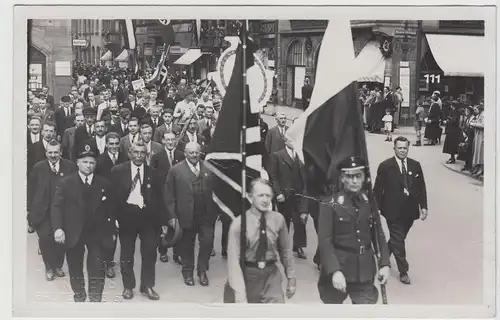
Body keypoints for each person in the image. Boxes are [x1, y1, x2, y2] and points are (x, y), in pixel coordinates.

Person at [317, 156, 390, 304]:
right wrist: (334, 270)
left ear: (364, 178)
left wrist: (384, 263)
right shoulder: (330, 203)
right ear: (342, 178)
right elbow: (325, 241)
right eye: (350, 177)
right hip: (339, 270)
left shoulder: (368, 201)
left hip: (364, 270)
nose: (355, 181)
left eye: (359, 176)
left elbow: (378, 234)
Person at [50, 142, 116, 302]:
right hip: (74, 232)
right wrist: (58, 228)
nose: (88, 165)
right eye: (85, 162)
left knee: (97, 267)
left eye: (92, 162)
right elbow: (57, 206)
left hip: (97, 232)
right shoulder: (66, 183)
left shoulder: (104, 183)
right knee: (75, 266)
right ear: (78, 163)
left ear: (96, 164)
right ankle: (79, 294)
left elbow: (111, 209)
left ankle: (95, 297)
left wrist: (112, 230)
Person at [109, 140, 168, 300]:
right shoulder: (117, 171)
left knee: (149, 253)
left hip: (148, 218)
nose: (139, 156)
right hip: (126, 217)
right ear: (130, 153)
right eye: (136, 152)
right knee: (127, 253)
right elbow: (112, 198)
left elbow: (159, 198)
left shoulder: (153, 173)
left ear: (146, 155)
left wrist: (163, 222)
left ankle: (147, 285)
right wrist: (112, 219)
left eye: (142, 153)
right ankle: (128, 286)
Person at [225, 178, 296, 303]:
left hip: (271, 276)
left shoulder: (278, 219)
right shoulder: (239, 224)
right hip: (248, 275)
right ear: (250, 197)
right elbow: (233, 262)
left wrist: (291, 277)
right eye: (261, 195)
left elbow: (286, 251)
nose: (265, 200)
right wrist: (239, 293)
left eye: (268, 195)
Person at [373, 136, 428, 285]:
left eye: (405, 148)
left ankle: (384, 255)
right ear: (394, 148)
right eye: (400, 148)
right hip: (392, 211)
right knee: (398, 239)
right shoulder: (385, 166)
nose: (402, 151)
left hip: (409, 212)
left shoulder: (415, 165)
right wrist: (375, 208)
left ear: (408, 148)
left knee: (398, 239)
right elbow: (377, 189)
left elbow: (421, 188)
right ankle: (403, 271)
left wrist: (423, 207)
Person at [164, 142, 217, 287]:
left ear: (200, 153)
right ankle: (187, 273)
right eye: (191, 153)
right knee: (187, 245)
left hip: (206, 214)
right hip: (186, 214)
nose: (194, 155)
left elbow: (216, 192)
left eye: (196, 152)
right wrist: (172, 216)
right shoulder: (176, 170)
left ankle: (202, 271)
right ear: (185, 153)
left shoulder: (208, 169)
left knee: (207, 242)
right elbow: (169, 195)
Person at [27, 140, 77, 281]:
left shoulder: (69, 166)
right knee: (46, 240)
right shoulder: (38, 168)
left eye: (56, 152)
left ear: (61, 152)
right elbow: (30, 190)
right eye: (50, 152)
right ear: (46, 153)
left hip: (63, 211)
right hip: (43, 212)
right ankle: (49, 266)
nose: (53, 155)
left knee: (61, 240)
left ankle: (58, 265)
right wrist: (30, 212)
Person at [268, 138, 308, 259]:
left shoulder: (301, 156)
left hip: (299, 194)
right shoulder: (277, 155)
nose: (294, 142)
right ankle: (282, 246)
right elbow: (273, 176)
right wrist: (278, 192)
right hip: (284, 195)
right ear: (286, 142)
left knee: (300, 221)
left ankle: (299, 245)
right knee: (284, 221)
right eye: (291, 140)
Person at [151, 131, 185, 263]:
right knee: (163, 225)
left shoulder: (181, 155)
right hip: (162, 196)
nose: (170, 142)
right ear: (163, 141)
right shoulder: (157, 157)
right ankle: (163, 250)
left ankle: (178, 253)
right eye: (167, 140)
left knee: (178, 224)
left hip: (178, 196)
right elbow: (153, 177)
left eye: (172, 140)